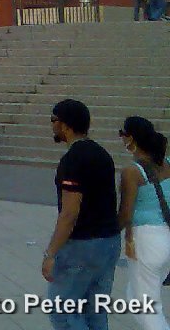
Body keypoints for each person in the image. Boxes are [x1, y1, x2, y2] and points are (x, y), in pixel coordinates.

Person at [43, 99, 120, 330]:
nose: (52, 126)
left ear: (65, 125)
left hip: (82, 245)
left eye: (53, 120)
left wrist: (51, 254)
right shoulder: (102, 153)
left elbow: (69, 213)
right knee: (95, 314)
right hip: (108, 241)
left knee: (63, 314)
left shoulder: (73, 160)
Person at [117, 116, 170, 330]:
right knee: (135, 296)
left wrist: (106, 232)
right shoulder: (167, 164)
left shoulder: (132, 172)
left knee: (146, 306)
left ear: (131, 138)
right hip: (166, 237)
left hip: (146, 241)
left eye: (122, 135)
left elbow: (125, 214)